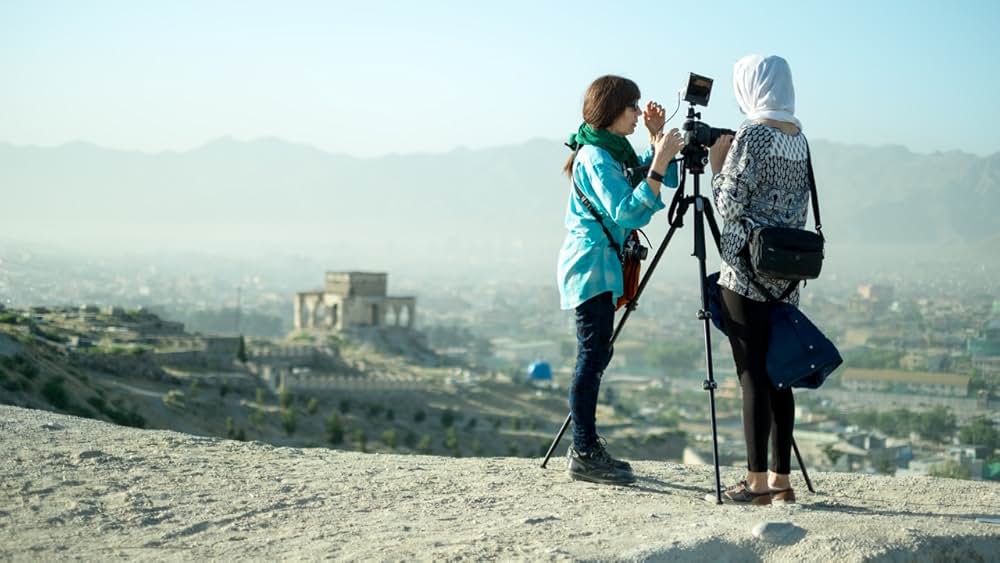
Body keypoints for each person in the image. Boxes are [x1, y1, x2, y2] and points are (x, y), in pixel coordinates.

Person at [557, 75, 684, 485]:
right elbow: (628, 210)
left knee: (597, 355)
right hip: (592, 266)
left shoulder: (612, 151)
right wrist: (659, 159)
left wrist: (656, 140)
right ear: (611, 110)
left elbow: (653, 177)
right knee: (591, 357)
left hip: (603, 266)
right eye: (632, 107)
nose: (637, 113)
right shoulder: (596, 157)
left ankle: (587, 447)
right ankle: (584, 451)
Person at [709, 55, 811, 505]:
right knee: (778, 376)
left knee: (751, 374)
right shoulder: (798, 138)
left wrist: (718, 165)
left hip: (746, 271)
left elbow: (729, 204)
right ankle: (780, 480)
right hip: (785, 271)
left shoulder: (752, 134)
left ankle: (754, 485)